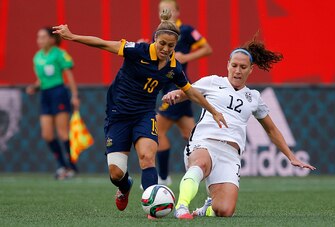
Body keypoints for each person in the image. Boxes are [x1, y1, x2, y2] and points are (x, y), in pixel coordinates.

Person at [52, 9, 226, 216]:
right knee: (116, 173)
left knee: (146, 157)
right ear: (155, 40)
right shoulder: (137, 51)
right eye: (162, 43)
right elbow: (102, 43)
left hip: (145, 114)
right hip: (118, 115)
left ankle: (152, 211)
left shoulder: (173, 67)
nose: (165, 48)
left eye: (171, 46)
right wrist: (72, 36)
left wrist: (214, 111)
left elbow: (192, 92)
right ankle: (125, 186)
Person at [162, 37, 316, 219]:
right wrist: (174, 95)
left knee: (225, 211)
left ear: (251, 69)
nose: (237, 71)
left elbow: (272, 130)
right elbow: (187, 92)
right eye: (234, 65)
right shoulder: (212, 82)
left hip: (230, 153)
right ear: (227, 65)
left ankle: (208, 208)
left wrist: (291, 156)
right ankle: (182, 207)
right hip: (204, 141)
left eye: (243, 67)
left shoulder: (254, 97)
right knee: (200, 164)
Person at [156, 0, 213, 186]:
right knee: (191, 134)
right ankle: (207, 168)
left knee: (157, 130)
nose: (166, 13)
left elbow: (207, 49)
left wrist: (186, 57)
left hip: (178, 86)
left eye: (170, 10)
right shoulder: (158, 33)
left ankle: (163, 177)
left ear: (178, 12)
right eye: (162, 10)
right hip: (168, 85)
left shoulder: (186, 31)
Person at [26, 27, 80, 180]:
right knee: (47, 134)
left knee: (63, 132)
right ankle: (62, 165)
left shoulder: (60, 54)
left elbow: (69, 76)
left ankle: (71, 166)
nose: (39, 40)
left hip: (59, 93)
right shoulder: (37, 57)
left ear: (51, 39)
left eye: (43, 37)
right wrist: (34, 87)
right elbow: (40, 80)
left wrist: (75, 95)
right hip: (45, 95)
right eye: (38, 37)